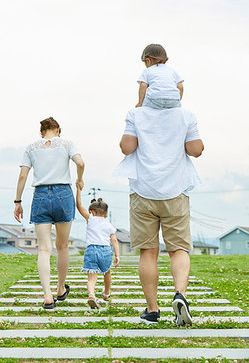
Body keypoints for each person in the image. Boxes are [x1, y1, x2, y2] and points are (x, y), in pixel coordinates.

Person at [119, 104, 204, 325]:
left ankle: (153, 310)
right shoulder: (186, 115)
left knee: (148, 253)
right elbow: (196, 150)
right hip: (175, 191)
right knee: (178, 250)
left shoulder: (135, 114)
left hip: (143, 191)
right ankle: (180, 295)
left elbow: (126, 148)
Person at [14, 116, 85, 309]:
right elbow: (80, 163)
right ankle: (60, 288)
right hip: (63, 194)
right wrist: (79, 179)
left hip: (41, 196)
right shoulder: (67, 144)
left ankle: (47, 295)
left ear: (41, 131)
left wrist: (18, 201)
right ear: (58, 130)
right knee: (62, 246)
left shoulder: (31, 148)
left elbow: (23, 175)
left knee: (44, 249)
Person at [76, 185, 120, 308]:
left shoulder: (90, 219)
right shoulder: (109, 224)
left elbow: (79, 206)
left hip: (91, 250)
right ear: (106, 213)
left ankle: (91, 294)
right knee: (107, 272)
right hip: (105, 250)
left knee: (91, 276)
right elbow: (114, 239)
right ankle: (106, 293)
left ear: (91, 212)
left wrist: (78, 190)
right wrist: (117, 255)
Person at [136, 43, 184, 109]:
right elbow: (180, 86)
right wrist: (177, 99)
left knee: (146, 106)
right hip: (173, 100)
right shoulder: (172, 71)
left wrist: (140, 103)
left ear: (148, 60)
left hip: (155, 99)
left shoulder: (148, 70)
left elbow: (143, 85)